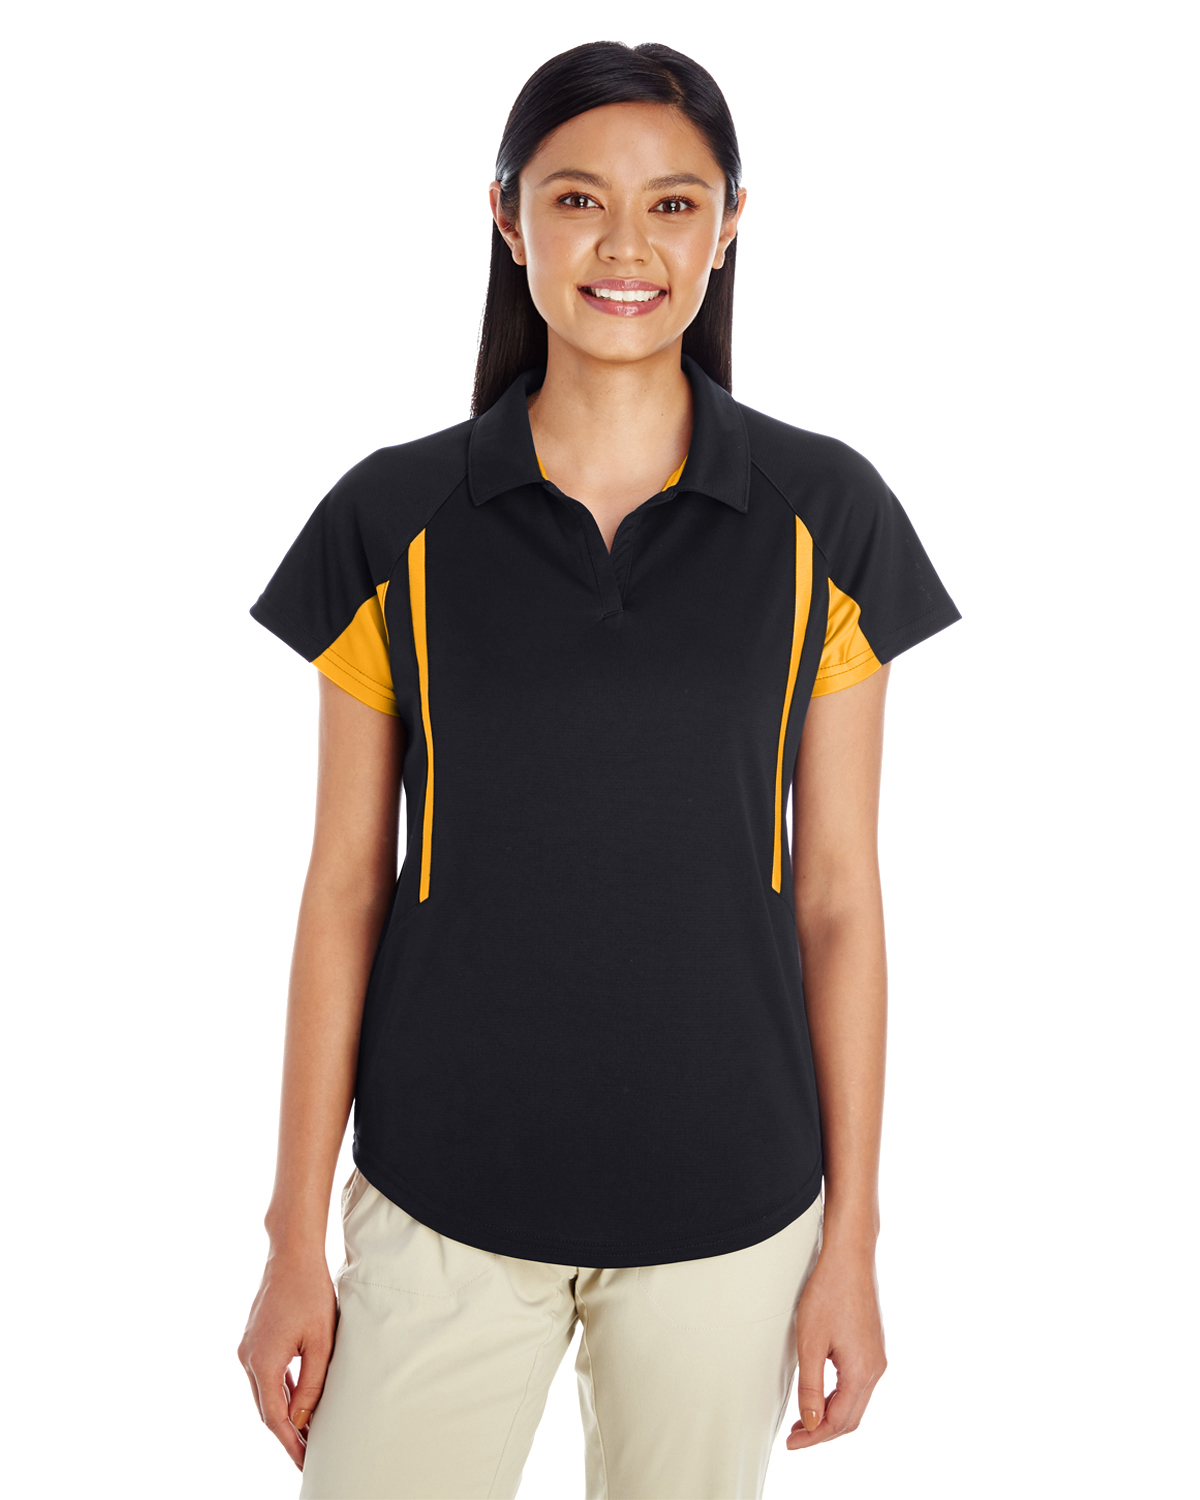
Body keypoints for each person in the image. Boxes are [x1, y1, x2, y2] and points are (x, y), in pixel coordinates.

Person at [237, 39, 962, 1500]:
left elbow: (837, 898)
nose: (626, 245)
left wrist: (856, 1243)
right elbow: (344, 889)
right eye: (576, 199)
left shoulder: (827, 516)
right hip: (438, 1196)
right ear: (506, 219)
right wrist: (291, 1242)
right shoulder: (391, 519)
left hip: (731, 1205)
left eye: (673, 204)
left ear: (730, 224)